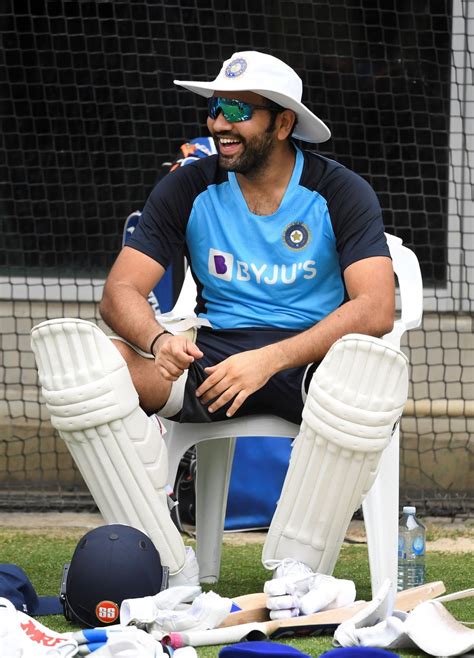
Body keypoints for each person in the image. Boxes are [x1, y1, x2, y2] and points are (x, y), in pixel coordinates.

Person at [31, 51, 408, 614]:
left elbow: (376, 308)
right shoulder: (189, 186)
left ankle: (298, 577)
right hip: (212, 356)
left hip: (310, 362)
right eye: (214, 108)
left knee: (367, 375)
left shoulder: (340, 190)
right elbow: (119, 294)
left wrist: (269, 360)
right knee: (81, 365)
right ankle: (164, 569)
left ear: (283, 123)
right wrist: (160, 342)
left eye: (237, 109)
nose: (219, 124)